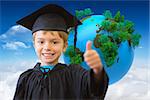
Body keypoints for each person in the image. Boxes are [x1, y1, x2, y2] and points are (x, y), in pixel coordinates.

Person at [13, 4, 109, 100]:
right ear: (34, 44)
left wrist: (97, 70)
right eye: (41, 42)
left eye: (54, 42)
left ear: (64, 46)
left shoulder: (73, 74)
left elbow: (94, 89)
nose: (47, 47)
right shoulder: (26, 79)